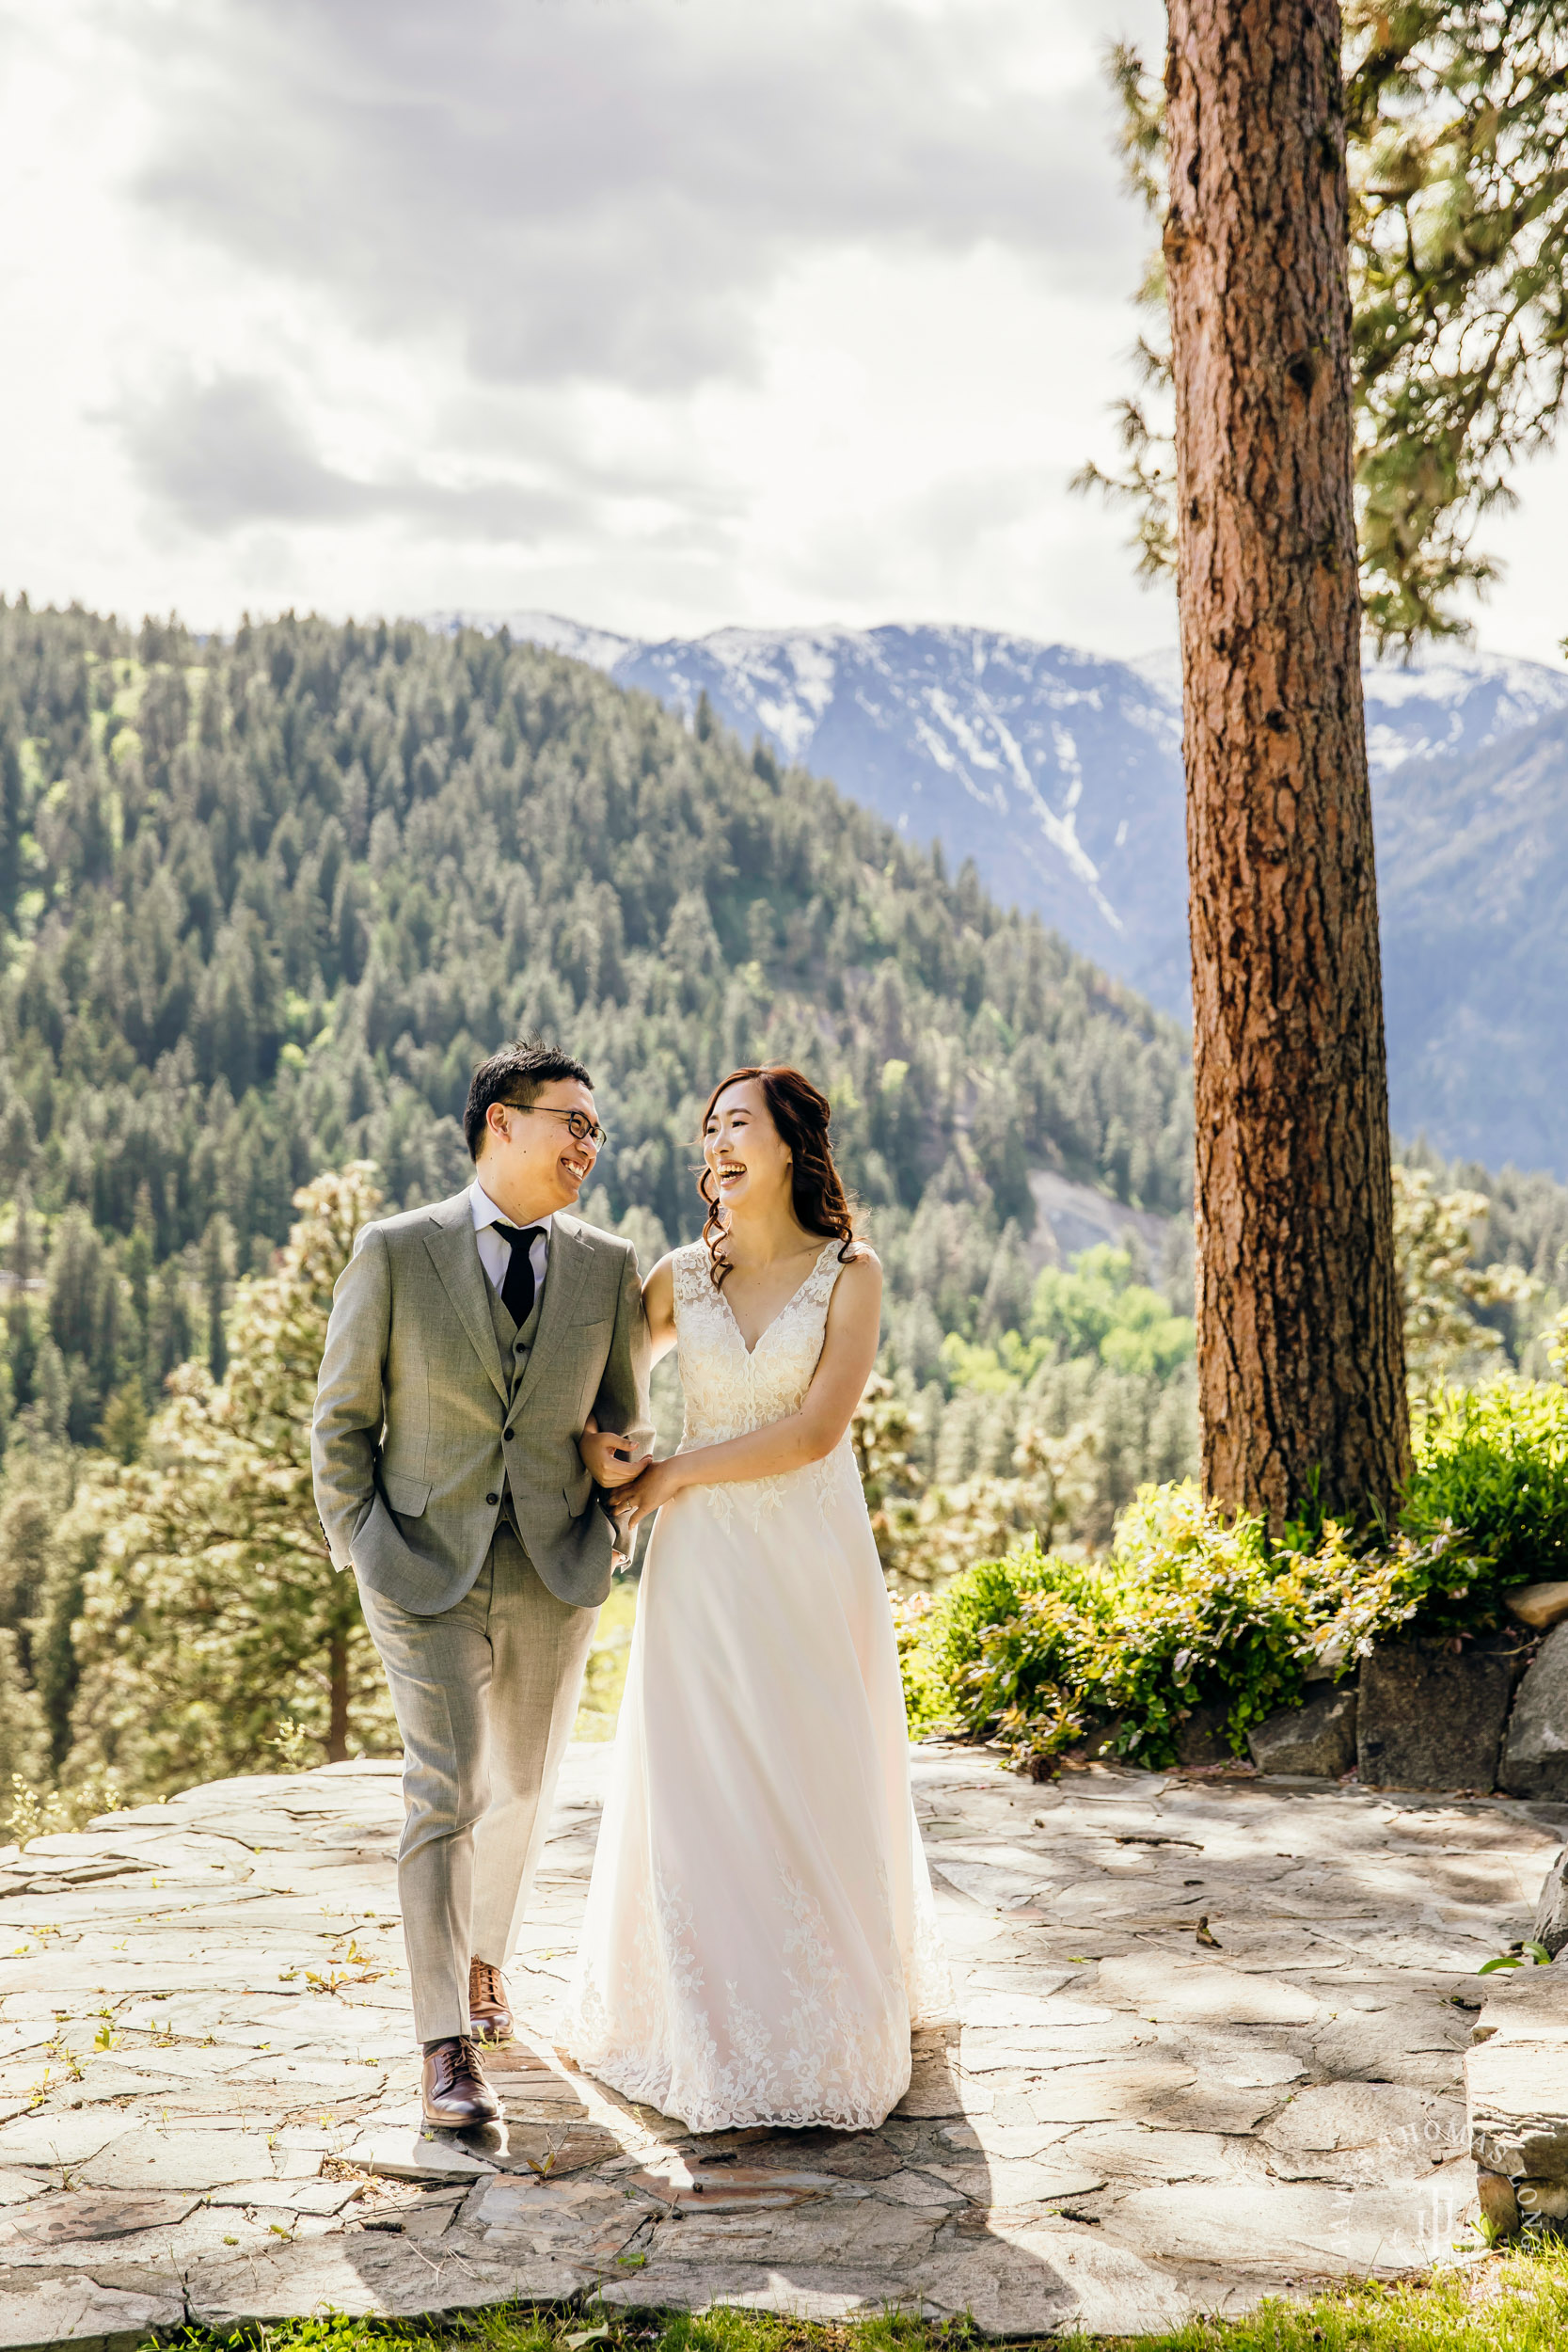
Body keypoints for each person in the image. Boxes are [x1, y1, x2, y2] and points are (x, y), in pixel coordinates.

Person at [565, 1064, 947, 2132]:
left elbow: (817, 1430)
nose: (718, 1142)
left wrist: (674, 1472)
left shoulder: (851, 1272)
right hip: (699, 1575)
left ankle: (823, 2022)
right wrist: (617, 1450)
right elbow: (612, 1398)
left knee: (809, 1774)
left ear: (788, 1143)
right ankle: (702, 2027)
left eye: (739, 1123)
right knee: (699, 1789)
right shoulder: (680, 1275)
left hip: (808, 1561)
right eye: (709, 1128)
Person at [310, 1041, 652, 2129]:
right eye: (571, 1123)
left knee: (522, 1784)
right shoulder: (396, 1252)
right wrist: (361, 1536)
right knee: (443, 1787)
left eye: (596, 1130)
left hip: (555, 1567)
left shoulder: (604, 1265)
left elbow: (617, 1416)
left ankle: (483, 1959)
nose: (587, 1145)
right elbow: (339, 1420)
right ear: (500, 1123)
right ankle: (442, 2046)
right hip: (419, 1565)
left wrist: (617, 1492)